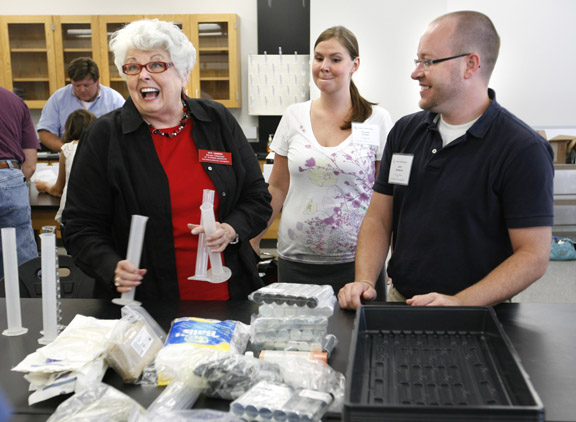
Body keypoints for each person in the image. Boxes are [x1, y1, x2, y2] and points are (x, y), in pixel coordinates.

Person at [338, 11, 554, 310]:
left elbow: (533, 256)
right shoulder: (405, 132)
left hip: (480, 313)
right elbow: (379, 217)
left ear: (470, 64)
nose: (416, 72)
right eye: (417, 61)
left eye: (428, 61)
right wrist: (364, 279)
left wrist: (459, 302)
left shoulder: (522, 149)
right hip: (404, 302)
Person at [62, 19, 272, 303]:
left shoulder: (217, 121)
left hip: (227, 295)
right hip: (146, 303)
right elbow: (80, 225)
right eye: (133, 67)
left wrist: (231, 228)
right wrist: (110, 265)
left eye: (157, 65)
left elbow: (257, 197)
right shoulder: (104, 136)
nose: (143, 75)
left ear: (184, 73)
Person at [251, 26, 393, 295]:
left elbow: (385, 197)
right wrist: (254, 239)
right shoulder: (294, 115)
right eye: (318, 58)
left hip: (358, 264)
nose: (324, 66)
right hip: (296, 260)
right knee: (296, 335)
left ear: (355, 64)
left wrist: (395, 256)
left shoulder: (377, 119)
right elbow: (277, 187)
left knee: (354, 336)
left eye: (335, 59)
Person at [37, 57, 125, 152]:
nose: (82, 90)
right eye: (77, 85)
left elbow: (124, 133)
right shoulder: (58, 99)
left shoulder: (114, 100)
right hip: (68, 160)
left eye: (87, 85)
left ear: (97, 81)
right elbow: (45, 132)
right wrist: (67, 150)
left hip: (104, 160)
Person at [0, 87, 41, 279]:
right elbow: (30, 164)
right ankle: (29, 307)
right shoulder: (15, 101)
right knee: (22, 262)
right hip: (10, 176)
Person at [34, 109, 97, 225]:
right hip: (98, 213)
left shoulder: (68, 149)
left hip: (74, 214)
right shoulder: (103, 147)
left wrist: (45, 186)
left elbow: (58, 191)